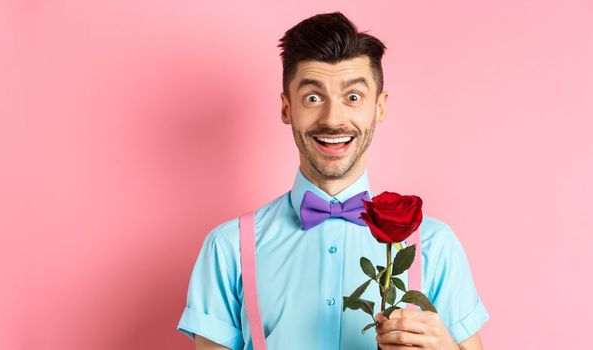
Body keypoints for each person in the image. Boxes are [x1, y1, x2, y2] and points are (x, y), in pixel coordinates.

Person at [177, 11, 488, 350]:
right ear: (286, 108)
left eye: (353, 97)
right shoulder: (228, 248)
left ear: (379, 107)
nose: (333, 118)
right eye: (313, 97)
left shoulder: (435, 246)